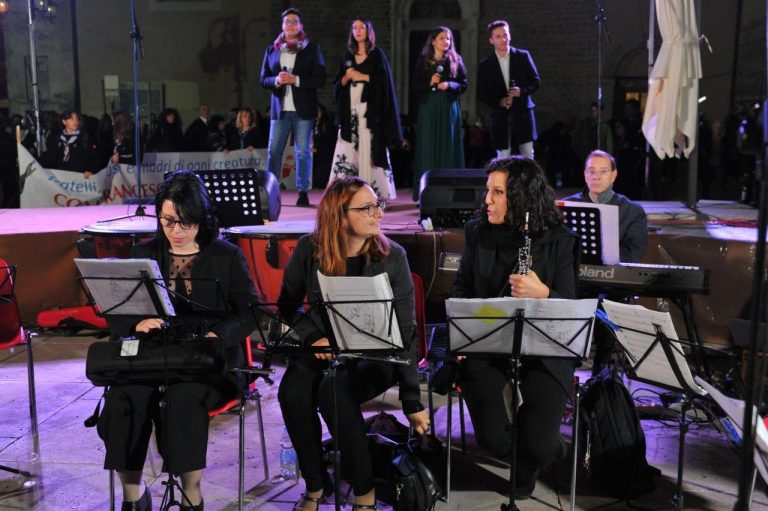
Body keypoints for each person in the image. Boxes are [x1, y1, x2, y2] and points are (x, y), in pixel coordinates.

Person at [97, 171, 260, 511]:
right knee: (123, 398)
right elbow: (119, 312)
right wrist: (136, 322)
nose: (176, 231)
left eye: (186, 223)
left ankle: (191, 495)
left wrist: (216, 334)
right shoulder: (143, 253)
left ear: (202, 218)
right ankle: (134, 494)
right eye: (168, 221)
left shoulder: (226, 256)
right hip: (154, 358)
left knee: (183, 399)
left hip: (208, 363)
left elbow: (249, 314)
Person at [277, 176, 430, 510]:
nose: (379, 213)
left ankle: (365, 491)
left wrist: (411, 399)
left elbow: (406, 332)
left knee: (334, 391)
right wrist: (312, 336)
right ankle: (316, 484)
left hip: (377, 355)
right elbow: (287, 307)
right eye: (368, 208)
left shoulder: (393, 256)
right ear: (340, 215)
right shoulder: (308, 249)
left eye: (378, 205)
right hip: (324, 347)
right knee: (292, 391)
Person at [452, 156, 578, 499]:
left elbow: (570, 305)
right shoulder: (478, 232)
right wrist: (466, 326)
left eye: (497, 192)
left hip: (544, 348)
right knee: (493, 440)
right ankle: (534, 450)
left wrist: (544, 293)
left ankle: (540, 452)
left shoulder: (559, 239)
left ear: (521, 197)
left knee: (538, 445)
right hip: (487, 343)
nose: (487, 200)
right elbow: (462, 286)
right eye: (488, 191)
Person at [328, 18, 402, 200]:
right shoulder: (347, 55)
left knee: (369, 150)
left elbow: (385, 83)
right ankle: (344, 194)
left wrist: (364, 76)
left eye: (362, 27)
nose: (358, 30)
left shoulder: (377, 55)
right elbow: (337, 84)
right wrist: (345, 79)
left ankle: (373, 193)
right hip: (350, 113)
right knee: (347, 150)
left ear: (369, 31)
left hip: (370, 114)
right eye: (354, 27)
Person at [260, 8, 326, 207]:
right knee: (274, 151)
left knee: (302, 152)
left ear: (301, 26)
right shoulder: (272, 50)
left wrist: (295, 79)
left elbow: (320, 78)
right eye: (287, 21)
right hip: (280, 110)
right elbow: (263, 79)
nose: (290, 25)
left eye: (294, 21)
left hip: (303, 110)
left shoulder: (312, 49)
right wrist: (277, 80)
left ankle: (303, 192)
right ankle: (271, 191)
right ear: (282, 26)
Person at [411, 26, 467, 201]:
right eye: (442, 38)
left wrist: (449, 85)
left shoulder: (456, 59)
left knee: (448, 145)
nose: (446, 41)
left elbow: (463, 83)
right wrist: (430, 83)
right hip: (429, 107)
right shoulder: (423, 61)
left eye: (448, 38)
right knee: (428, 146)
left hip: (448, 107)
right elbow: (415, 85)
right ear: (433, 41)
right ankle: (426, 191)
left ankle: (450, 191)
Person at [563, 150, 647, 264]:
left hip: (613, 272)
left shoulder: (633, 211)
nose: (596, 177)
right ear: (585, 175)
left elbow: (634, 254)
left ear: (613, 175)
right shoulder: (567, 205)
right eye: (591, 172)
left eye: (603, 171)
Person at [476, 20, 540, 159]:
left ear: (510, 35)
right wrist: (499, 102)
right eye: (498, 36)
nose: (503, 39)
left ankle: (528, 175)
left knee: (528, 155)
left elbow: (536, 81)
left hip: (522, 113)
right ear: (491, 40)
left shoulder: (523, 56)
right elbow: (481, 93)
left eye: (505, 35)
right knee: (503, 156)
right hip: (500, 117)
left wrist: (521, 91)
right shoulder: (486, 65)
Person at [41, 109, 98, 177]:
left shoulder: (85, 138)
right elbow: (50, 157)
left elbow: (94, 157)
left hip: (80, 176)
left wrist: (90, 170)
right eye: (71, 119)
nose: (75, 121)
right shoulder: (58, 139)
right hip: (62, 176)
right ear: (64, 122)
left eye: (76, 119)